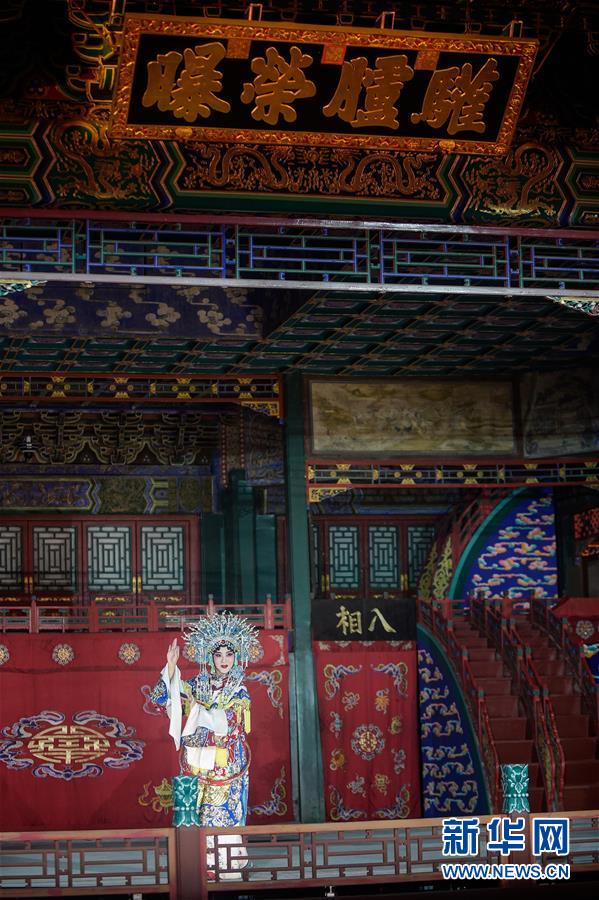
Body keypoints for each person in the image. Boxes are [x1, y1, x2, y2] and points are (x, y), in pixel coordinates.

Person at [150, 611, 257, 876]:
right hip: (197, 760)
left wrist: (199, 712)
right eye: (218, 655)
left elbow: (230, 723)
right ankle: (199, 864)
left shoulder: (239, 688)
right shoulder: (198, 683)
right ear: (210, 657)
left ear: (236, 657)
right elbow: (165, 697)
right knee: (196, 812)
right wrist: (171, 666)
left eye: (229, 654)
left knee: (221, 811)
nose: (224, 660)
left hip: (225, 762)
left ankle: (227, 865)